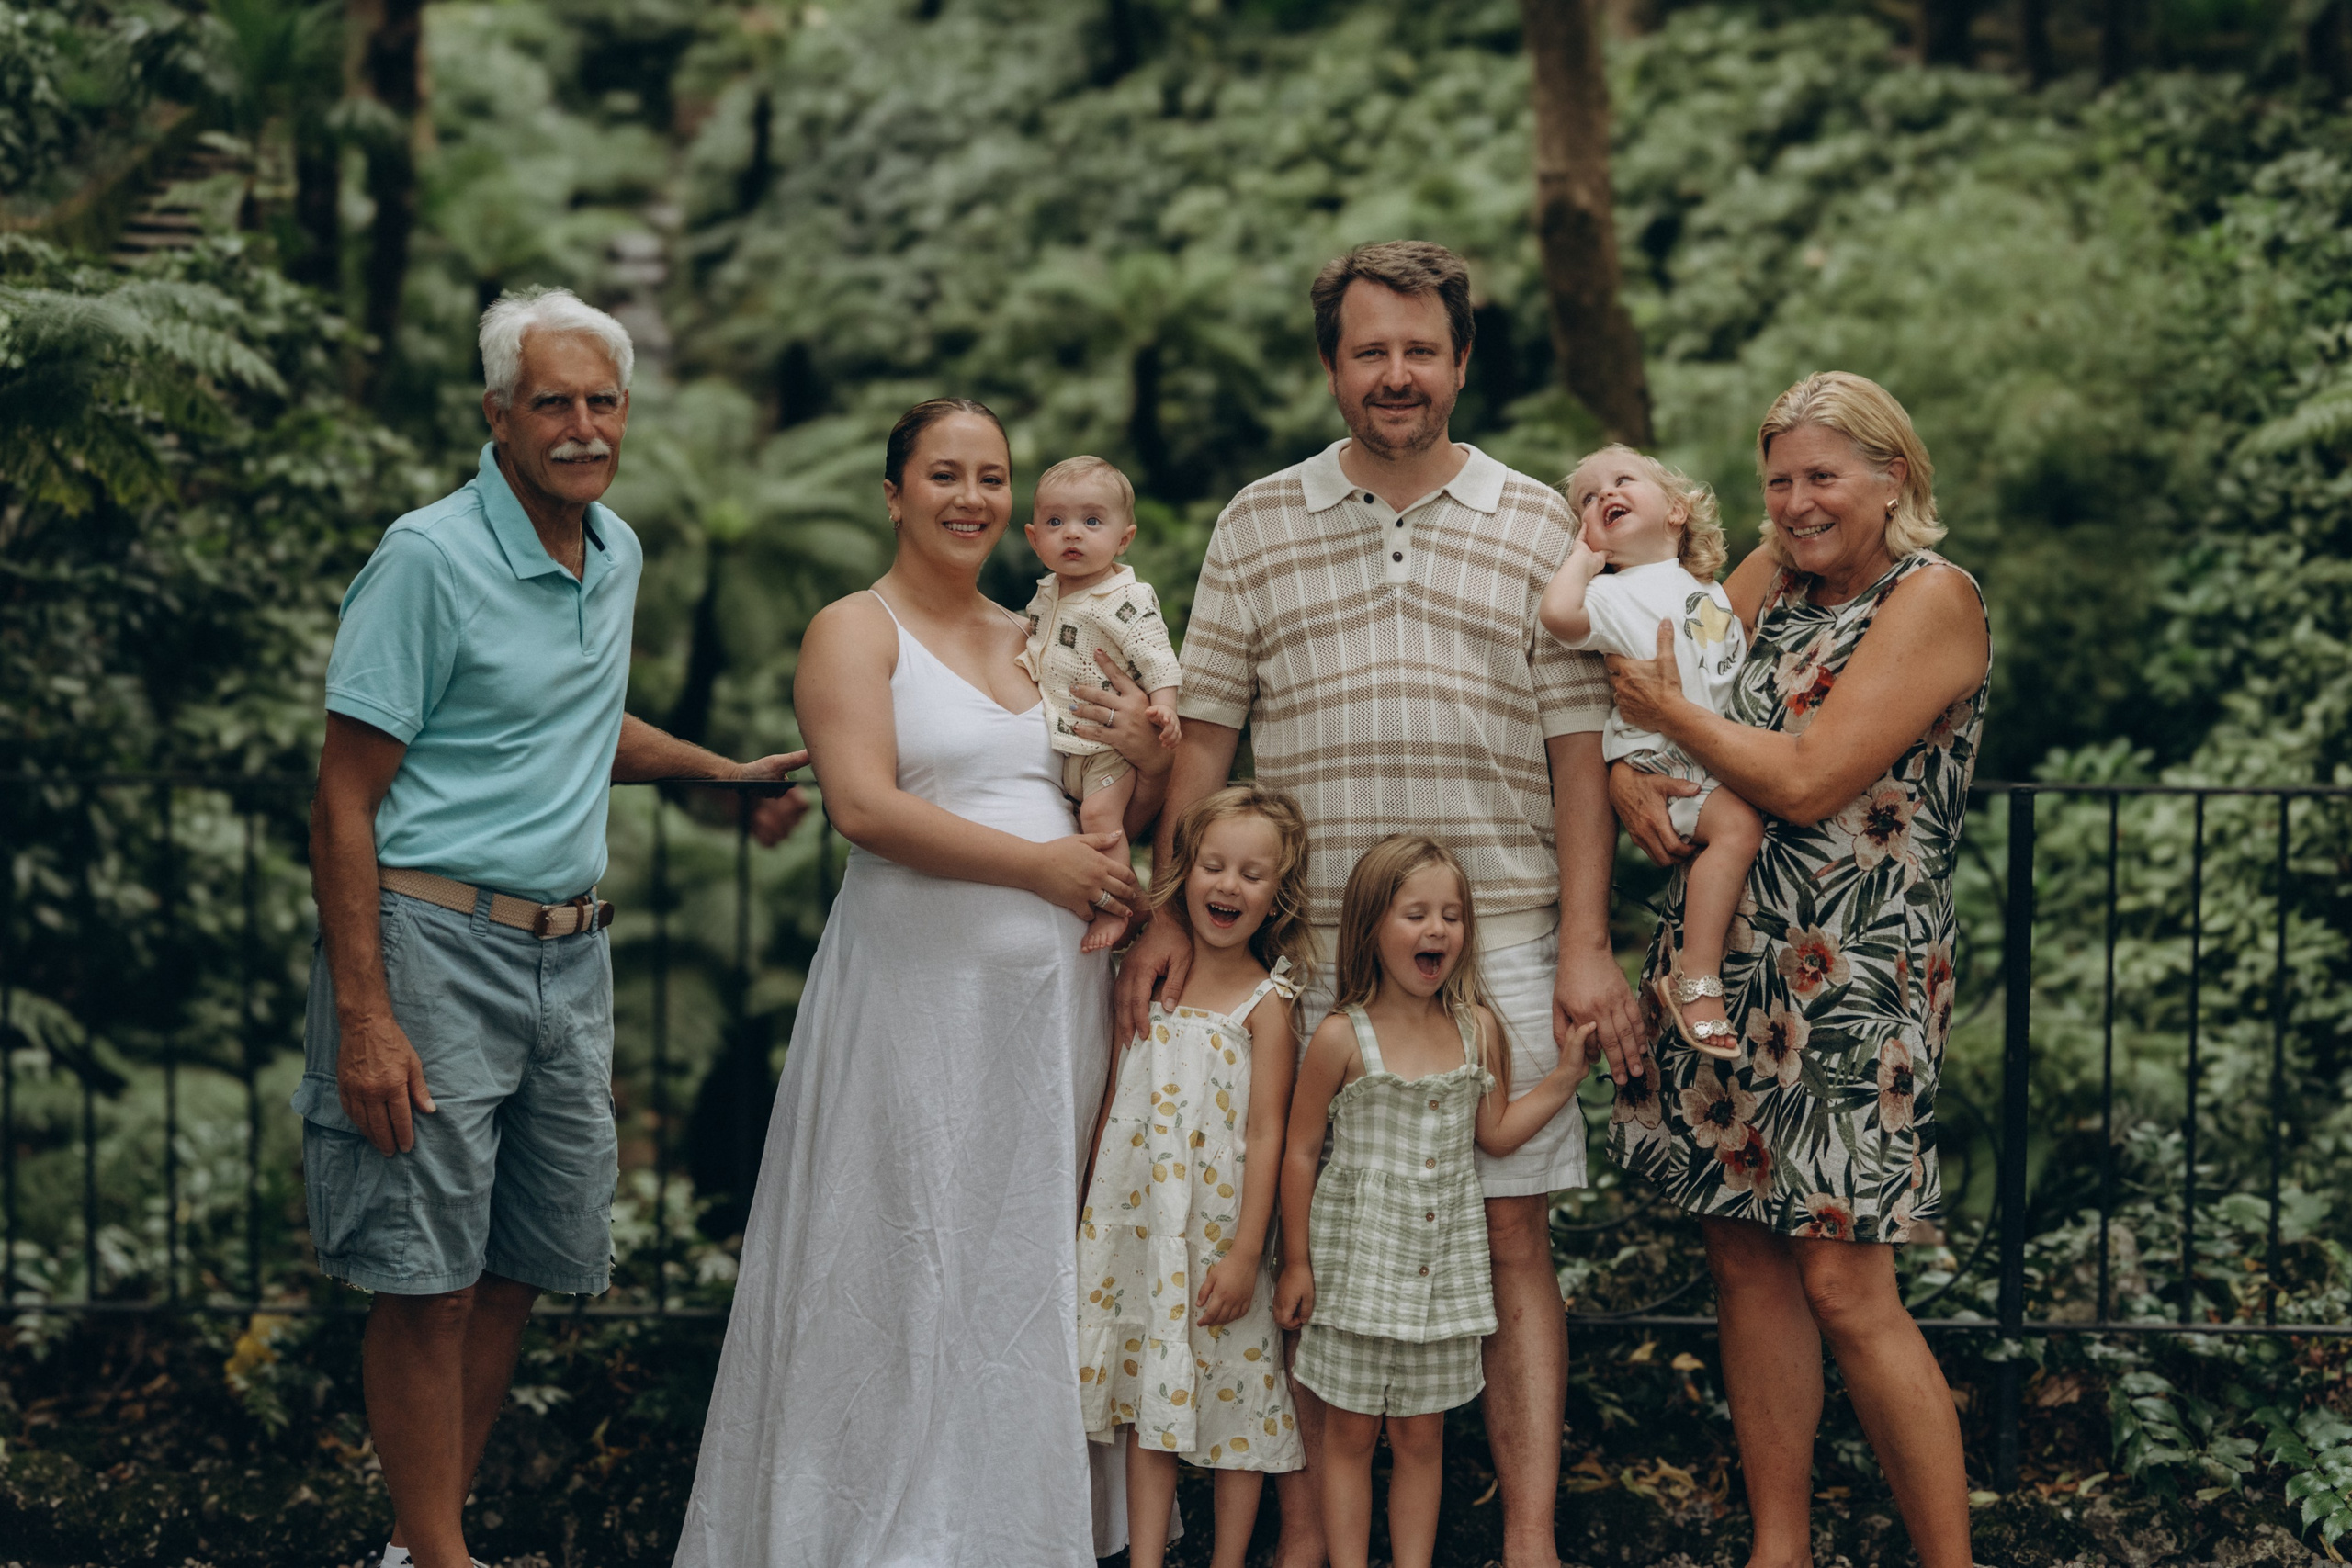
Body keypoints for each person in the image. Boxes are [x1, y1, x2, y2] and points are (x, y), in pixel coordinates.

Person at [1116, 239, 1643, 1568]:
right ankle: (1318, 1538)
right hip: (1311, 952)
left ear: (1463, 361)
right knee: (1316, 1230)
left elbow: (1579, 748)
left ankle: (1528, 1541)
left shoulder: (1537, 524)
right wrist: (1180, 907)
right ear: (1332, 365)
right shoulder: (1256, 518)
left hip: (1504, 928)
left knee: (1509, 1232)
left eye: (1421, 349)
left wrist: (1584, 939)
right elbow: (1209, 735)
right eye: (1370, 351)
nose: (1396, 374)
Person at [301, 287, 808, 1568]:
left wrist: (719, 772)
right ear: (497, 414)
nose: (581, 426)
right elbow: (344, 797)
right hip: (432, 944)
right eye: (551, 402)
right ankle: (439, 1554)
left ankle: (426, 1546)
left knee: (517, 1264)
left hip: (569, 954)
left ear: (624, 410)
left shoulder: (617, 550)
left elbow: (578, 725)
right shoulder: (428, 557)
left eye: (601, 401)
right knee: (428, 1275)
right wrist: (366, 1014)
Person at [672, 398, 1171, 1568]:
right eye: (944, 475)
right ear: (893, 493)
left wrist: (1141, 775)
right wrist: (1042, 871)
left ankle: (1008, 1532)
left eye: (992, 477)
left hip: (1050, 1007)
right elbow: (864, 807)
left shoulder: (1040, 630)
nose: (972, 499)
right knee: (895, 1244)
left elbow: (1105, 796)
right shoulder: (855, 629)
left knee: (1023, 1255)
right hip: (911, 998)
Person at [1605, 372, 1991, 1568]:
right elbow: (1665, 670)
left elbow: (1811, 774)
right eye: (1779, 477)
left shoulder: (1934, 600)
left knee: (1844, 1278)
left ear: (1895, 475)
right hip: (1727, 960)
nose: (1797, 500)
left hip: (1855, 969)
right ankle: (1780, 1547)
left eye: (1825, 475)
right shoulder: (1771, 576)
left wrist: (1665, 717)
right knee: (1743, 1249)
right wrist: (1632, 773)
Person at [1273, 837, 1592, 1568]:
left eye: (1451, 914)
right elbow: (1298, 1152)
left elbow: (1499, 1132)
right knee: (1349, 1436)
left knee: (1422, 1438)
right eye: (1415, 912)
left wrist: (1567, 1075)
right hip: (1357, 1272)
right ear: (1371, 927)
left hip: (1439, 1278)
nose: (1437, 929)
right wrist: (1296, 1263)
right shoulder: (1338, 1037)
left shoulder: (1477, 1028)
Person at [1079, 783, 1311, 1568]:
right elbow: (1115, 1094)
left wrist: (1251, 1250)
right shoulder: (1146, 981)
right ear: (1186, 871)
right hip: (1142, 1228)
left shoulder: (1268, 1003)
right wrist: (1086, 1205)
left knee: (1238, 1401)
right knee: (1152, 1396)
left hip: (1217, 1239)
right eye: (1213, 865)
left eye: (1252, 872)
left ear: (1278, 890)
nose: (1228, 885)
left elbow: (1270, 1129)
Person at [1539, 445, 1761, 1059]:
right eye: (1587, 497)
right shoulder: (1613, 593)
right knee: (1738, 829)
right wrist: (1585, 558)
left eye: (1622, 480)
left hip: (1713, 754)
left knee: (1745, 821)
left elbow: (1725, 668)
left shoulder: (1709, 590)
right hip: (1666, 764)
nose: (1603, 494)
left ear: (1676, 512)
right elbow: (1558, 614)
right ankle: (1696, 979)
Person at [1017, 454, 1184, 950]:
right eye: (1055, 522)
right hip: (1071, 745)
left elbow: (1158, 658)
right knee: (1073, 821)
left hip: (1107, 750)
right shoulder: (1046, 594)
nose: (1072, 533)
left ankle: (1122, 907)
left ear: (1123, 538)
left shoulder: (1125, 599)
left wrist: (1165, 708)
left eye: (1092, 521)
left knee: (1098, 822)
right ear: (1033, 538)